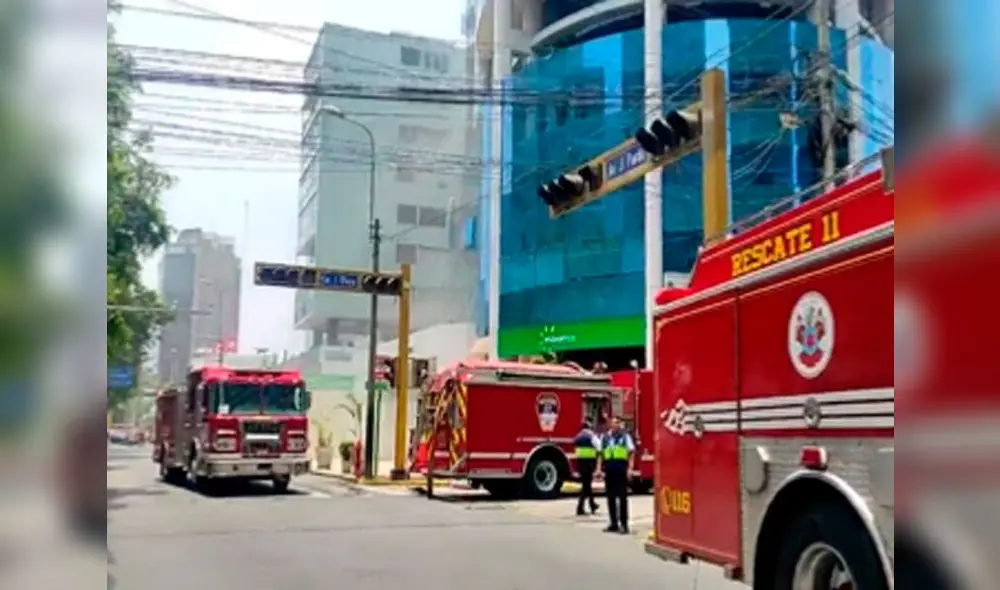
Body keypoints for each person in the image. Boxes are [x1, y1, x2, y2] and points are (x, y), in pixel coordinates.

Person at [597, 416, 635, 534]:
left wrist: (630, 469)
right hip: (609, 470)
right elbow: (600, 454)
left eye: (618, 423)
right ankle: (613, 523)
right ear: (610, 424)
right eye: (614, 423)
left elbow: (631, 453)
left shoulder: (625, 437)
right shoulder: (605, 437)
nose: (616, 425)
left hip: (621, 469)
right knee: (610, 498)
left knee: (622, 498)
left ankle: (624, 525)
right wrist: (598, 469)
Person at [573, 420, 601, 516]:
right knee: (586, 486)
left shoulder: (578, 437)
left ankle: (592, 504)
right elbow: (599, 447)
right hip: (589, 464)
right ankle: (580, 508)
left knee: (586, 485)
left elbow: (575, 448)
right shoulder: (591, 436)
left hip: (580, 464)